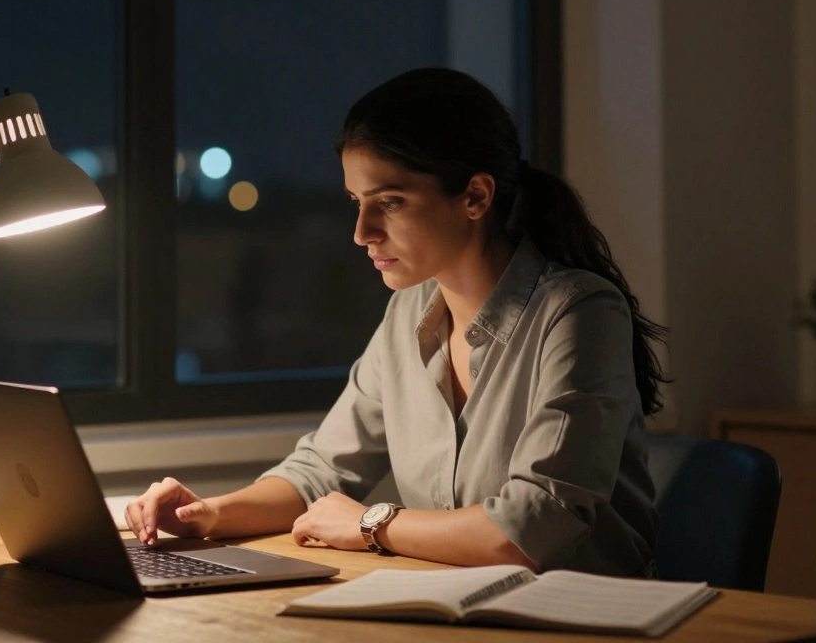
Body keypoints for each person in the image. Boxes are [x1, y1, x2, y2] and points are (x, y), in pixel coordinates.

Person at [126, 68, 665, 577]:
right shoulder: (409, 312)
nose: (361, 232)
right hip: (455, 618)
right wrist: (209, 513)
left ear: (475, 197)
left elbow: (533, 526)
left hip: (585, 624)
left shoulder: (579, 312)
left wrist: (369, 524)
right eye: (356, 202)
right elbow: (320, 473)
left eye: (390, 202)